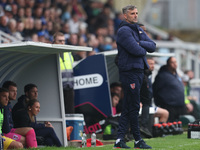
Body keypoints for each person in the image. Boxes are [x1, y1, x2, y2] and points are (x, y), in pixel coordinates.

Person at [113, 5, 156, 149]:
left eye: (137, 13)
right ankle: (137, 140)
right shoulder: (124, 30)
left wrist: (140, 42)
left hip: (138, 71)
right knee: (134, 106)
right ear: (125, 16)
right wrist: (141, 45)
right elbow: (137, 51)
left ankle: (119, 140)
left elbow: (153, 45)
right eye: (132, 13)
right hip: (130, 72)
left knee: (128, 106)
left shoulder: (136, 28)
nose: (136, 16)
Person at [2, 81, 37, 148]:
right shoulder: (4, 106)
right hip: (5, 133)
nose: (15, 93)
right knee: (24, 140)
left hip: (11, 129)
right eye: (12, 91)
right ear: (6, 92)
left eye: (16, 91)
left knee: (31, 130)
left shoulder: (9, 105)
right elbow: (6, 129)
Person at [140, 58, 169, 138]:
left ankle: (158, 131)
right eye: (150, 64)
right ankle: (155, 131)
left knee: (165, 113)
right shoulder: (143, 76)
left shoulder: (149, 75)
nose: (153, 66)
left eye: (153, 64)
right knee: (164, 113)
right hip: (142, 104)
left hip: (149, 104)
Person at [153, 57, 186, 122]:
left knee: (180, 128)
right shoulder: (162, 76)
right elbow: (155, 89)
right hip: (169, 107)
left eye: (175, 62)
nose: (175, 64)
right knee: (169, 128)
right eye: (172, 62)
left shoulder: (176, 75)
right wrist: (159, 102)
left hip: (180, 106)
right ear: (168, 64)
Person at [53, 32, 75, 114]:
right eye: (60, 41)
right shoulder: (52, 53)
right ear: (54, 41)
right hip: (57, 88)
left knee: (70, 112)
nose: (62, 43)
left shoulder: (68, 53)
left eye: (63, 41)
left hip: (69, 87)